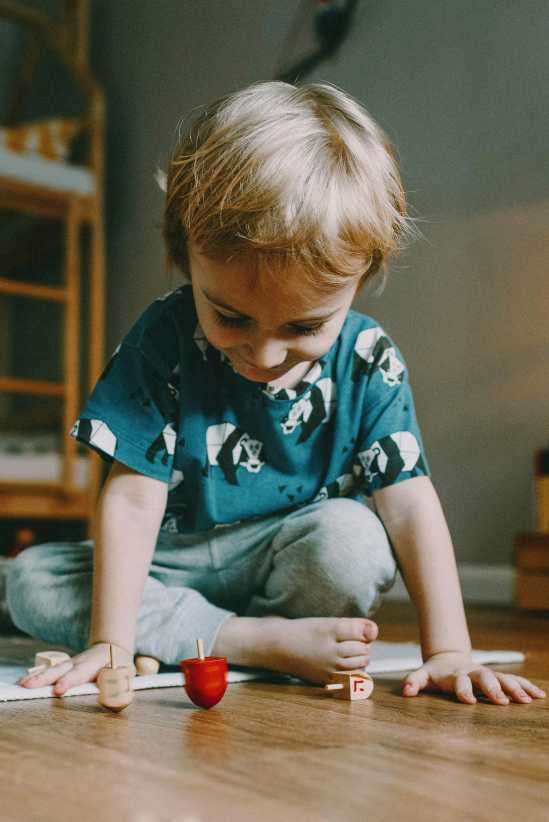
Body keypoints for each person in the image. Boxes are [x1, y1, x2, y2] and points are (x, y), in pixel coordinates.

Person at [7, 81, 544, 706]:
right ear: (188, 254)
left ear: (361, 278)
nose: (263, 355)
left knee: (356, 540)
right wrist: (111, 643)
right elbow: (130, 504)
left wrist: (449, 650)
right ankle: (254, 640)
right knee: (32, 579)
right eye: (231, 318)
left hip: (286, 560)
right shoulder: (162, 339)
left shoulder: (369, 360)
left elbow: (410, 506)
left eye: (304, 327)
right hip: (168, 561)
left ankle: (195, 632)